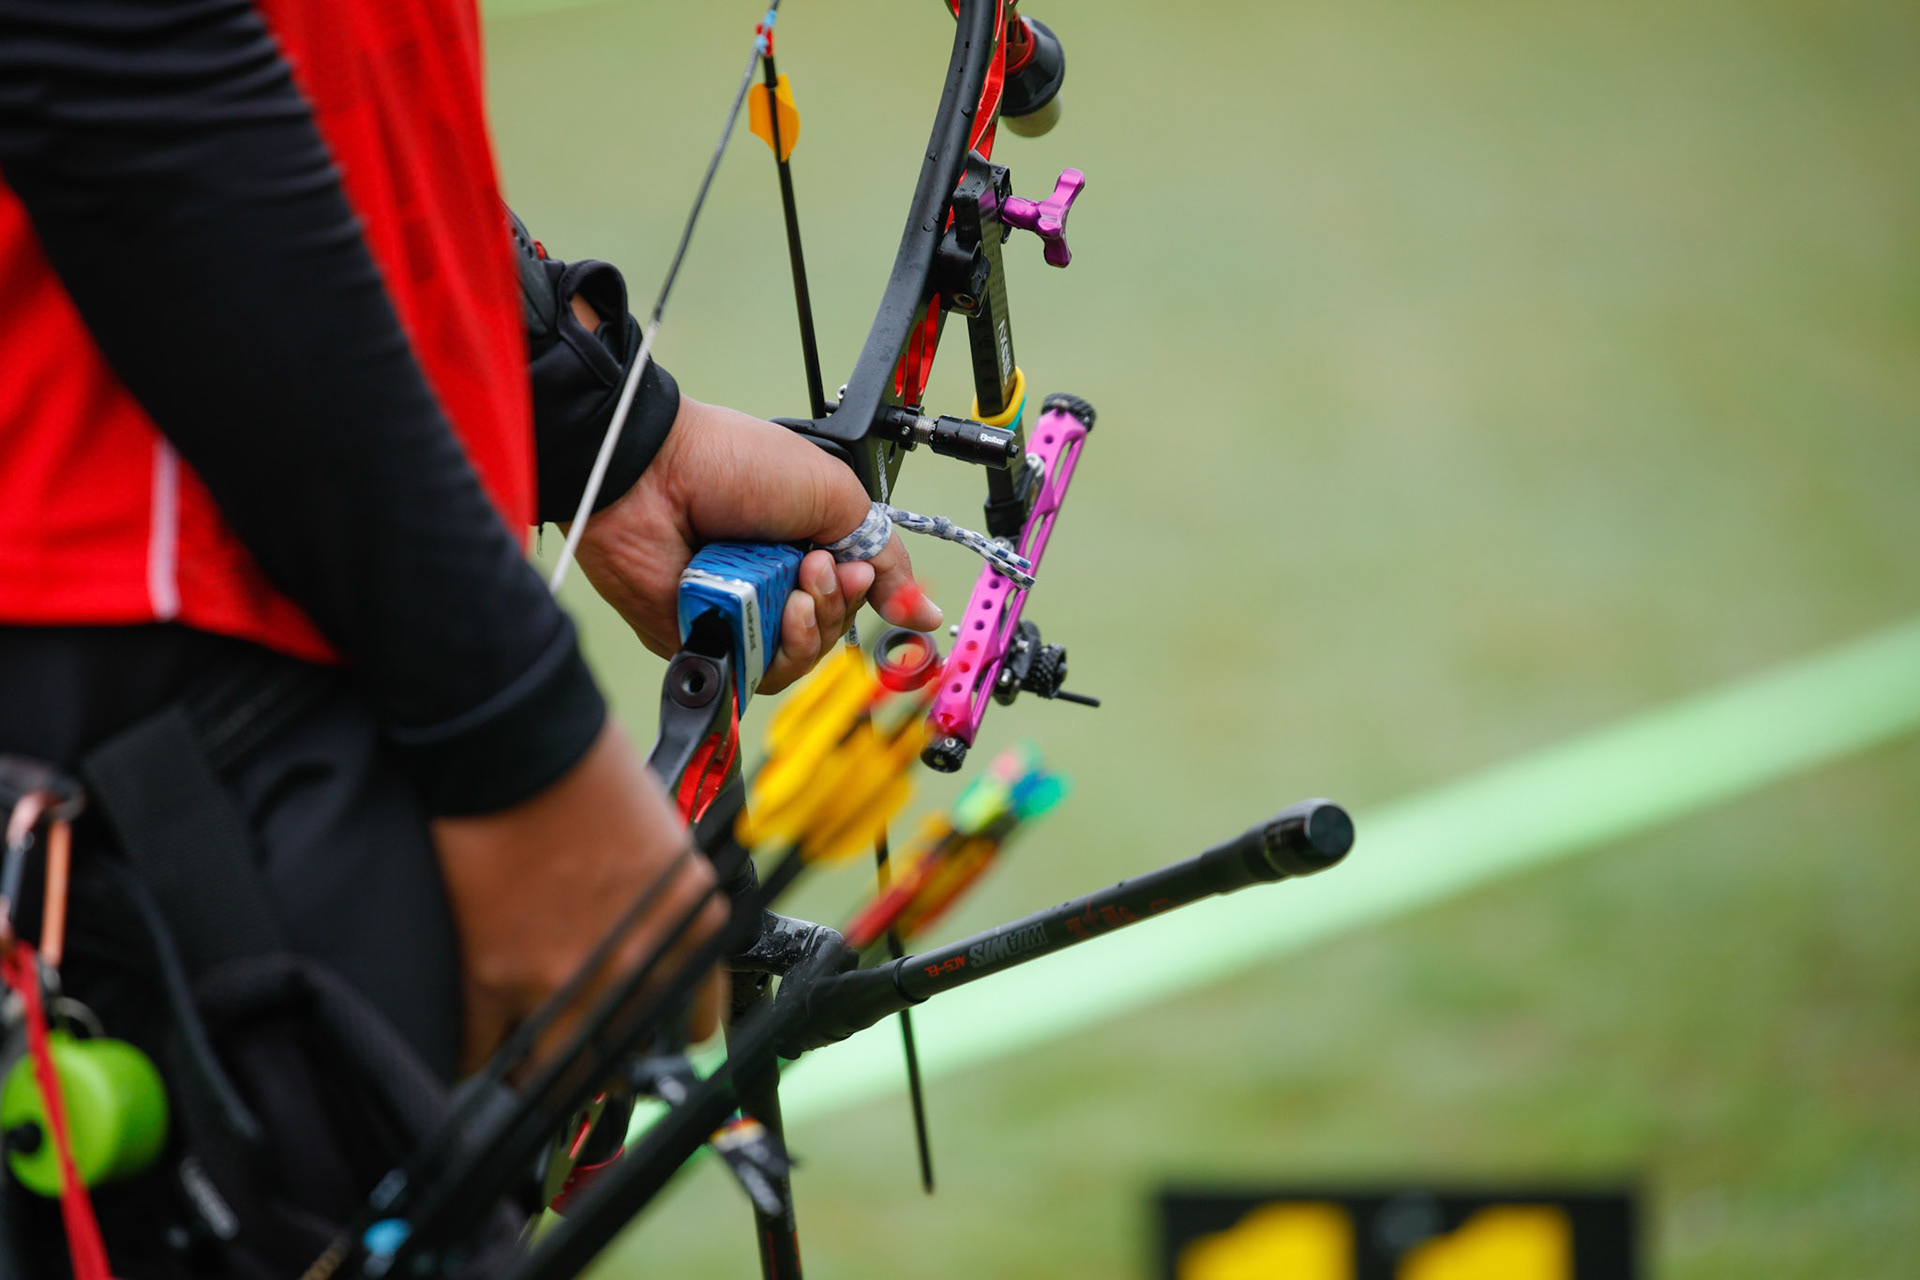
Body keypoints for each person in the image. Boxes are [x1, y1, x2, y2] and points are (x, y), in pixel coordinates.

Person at [0, 0, 939, 1272]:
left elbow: (315, 61)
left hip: (244, 671)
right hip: (133, 705)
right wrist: (518, 742)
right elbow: (110, 51)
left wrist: (609, 430)